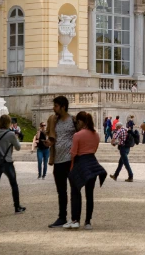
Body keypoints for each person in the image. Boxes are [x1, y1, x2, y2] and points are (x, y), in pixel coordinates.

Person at [65, 111, 106, 230]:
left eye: (77, 122)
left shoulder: (77, 135)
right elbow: (95, 149)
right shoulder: (96, 135)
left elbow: (73, 153)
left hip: (80, 162)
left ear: (81, 121)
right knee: (90, 194)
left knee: (75, 192)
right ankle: (88, 221)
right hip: (92, 163)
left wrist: (72, 167)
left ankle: (75, 219)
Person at [45, 95, 76, 229]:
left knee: (74, 189)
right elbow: (51, 137)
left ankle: (75, 218)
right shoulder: (53, 120)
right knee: (61, 191)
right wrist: (48, 142)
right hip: (58, 160)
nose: (54, 108)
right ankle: (62, 217)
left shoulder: (73, 120)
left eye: (56, 106)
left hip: (71, 160)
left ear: (63, 107)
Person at [0, 114, 26, 218]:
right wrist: (15, 138)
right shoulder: (10, 134)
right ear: (9, 123)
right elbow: (18, 147)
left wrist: (0, 122)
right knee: (14, 184)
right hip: (7, 162)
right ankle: (17, 207)